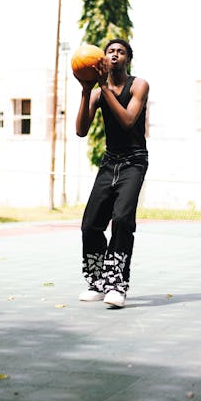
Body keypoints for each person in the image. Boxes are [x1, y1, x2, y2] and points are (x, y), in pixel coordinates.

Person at [74, 39, 149, 308]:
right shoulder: (97, 93)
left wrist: (103, 86)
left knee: (122, 219)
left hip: (134, 161)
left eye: (120, 52)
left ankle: (117, 285)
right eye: (110, 51)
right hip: (109, 162)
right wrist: (86, 90)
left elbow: (128, 121)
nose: (115, 55)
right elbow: (81, 131)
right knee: (90, 224)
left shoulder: (138, 85)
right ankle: (97, 281)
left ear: (128, 59)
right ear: (103, 58)